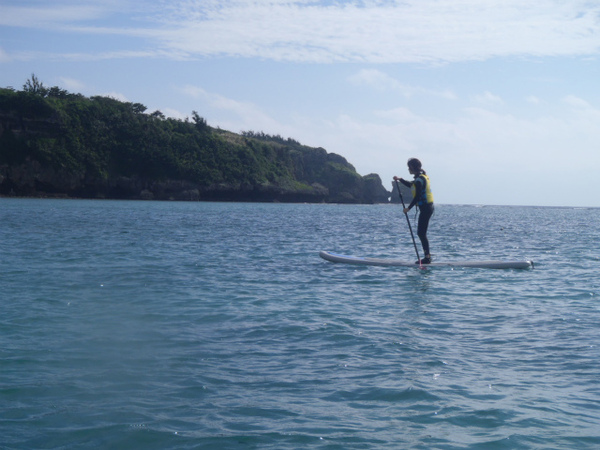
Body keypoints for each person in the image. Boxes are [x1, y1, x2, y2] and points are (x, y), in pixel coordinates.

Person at [393, 158, 434, 264]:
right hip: (426, 208)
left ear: (413, 167)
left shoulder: (420, 180)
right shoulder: (419, 178)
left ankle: (427, 258)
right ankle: (427, 256)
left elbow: (418, 196)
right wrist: (400, 179)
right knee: (421, 233)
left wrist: (408, 208)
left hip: (426, 208)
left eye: (409, 167)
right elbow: (411, 185)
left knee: (421, 233)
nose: (408, 169)